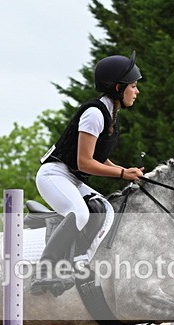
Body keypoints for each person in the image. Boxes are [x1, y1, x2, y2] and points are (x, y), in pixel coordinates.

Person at [31, 51, 145, 296]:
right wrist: (122, 173)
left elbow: (99, 158)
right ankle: (44, 271)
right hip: (54, 175)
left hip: (71, 177)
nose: (136, 92)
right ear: (118, 87)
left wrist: (126, 171)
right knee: (80, 213)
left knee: (105, 209)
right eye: (133, 86)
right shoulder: (94, 114)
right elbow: (85, 163)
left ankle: (79, 260)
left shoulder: (110, 114)